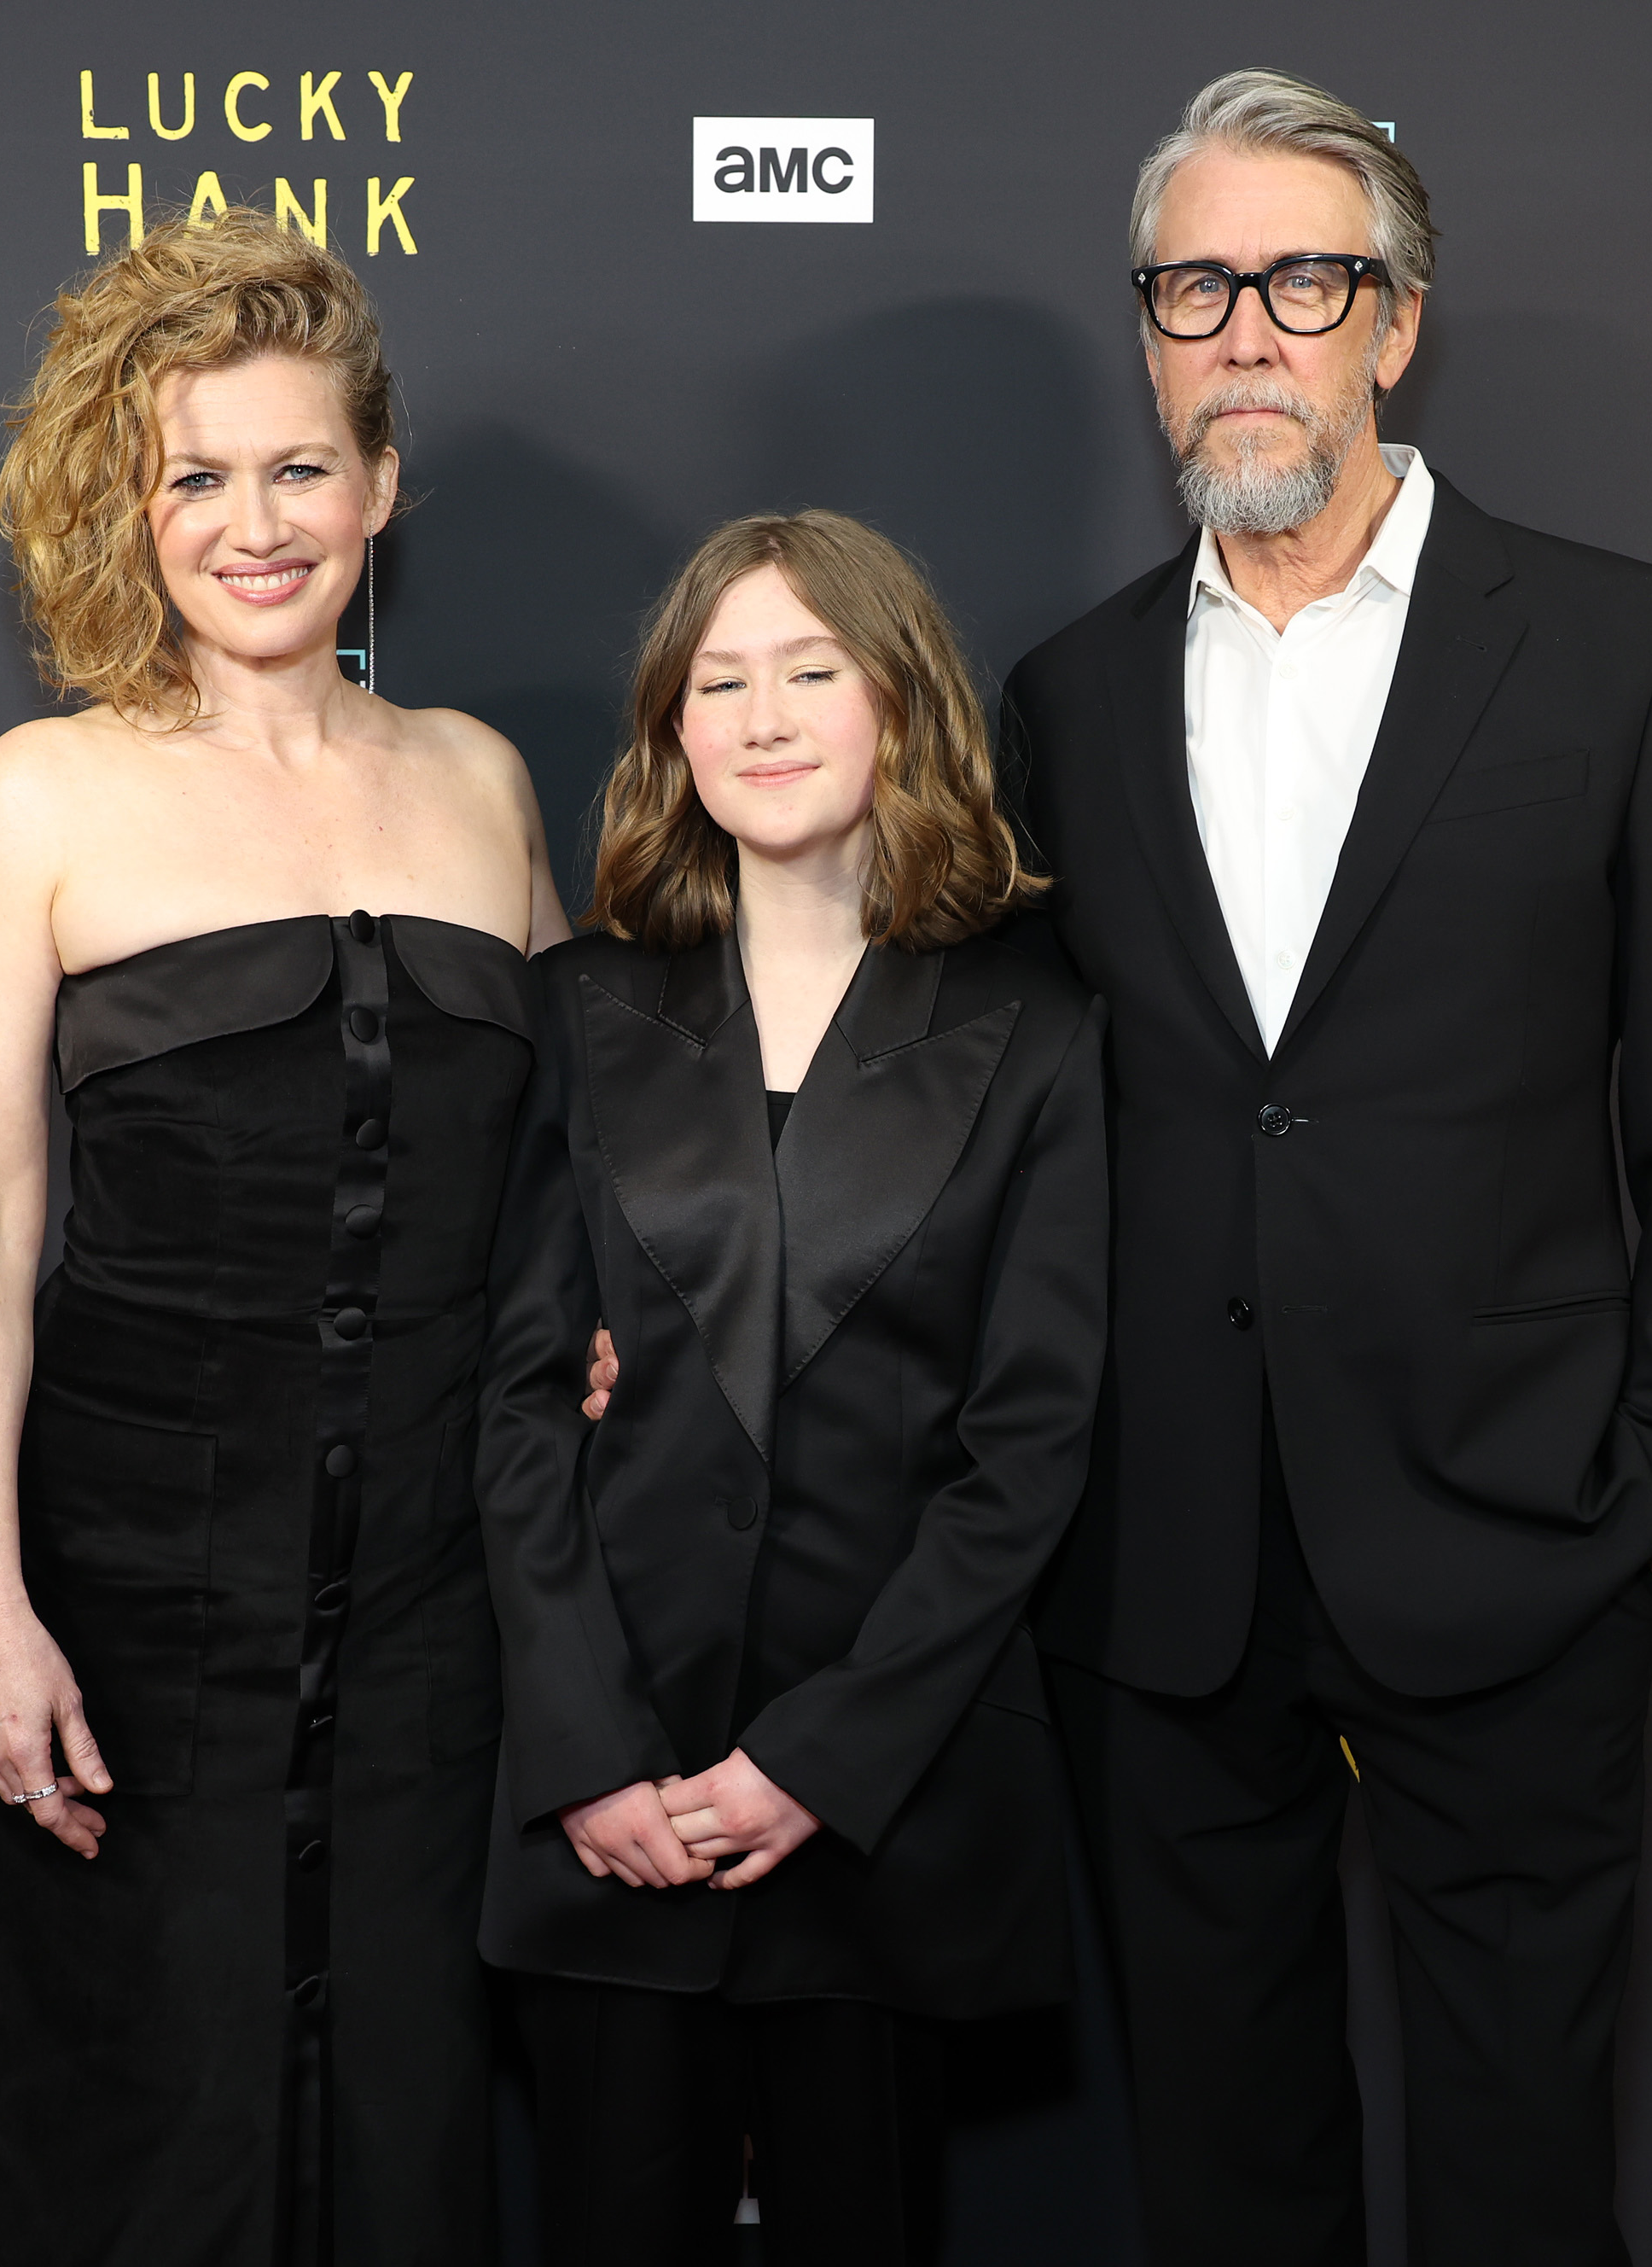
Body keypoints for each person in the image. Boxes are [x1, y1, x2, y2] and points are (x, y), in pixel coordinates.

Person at [1003, 70, 1652, 2266]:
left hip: (1516, 1527)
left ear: (1396, 319)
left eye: (1302, 277)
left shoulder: (1630, 647)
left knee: (1526, 2160)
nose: (1245, 328)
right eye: (1195, 286)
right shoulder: (1059, 699)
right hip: (1163, 1560)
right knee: (1227, 2165)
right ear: (1150, 334)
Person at [0, 205, 572, 2265]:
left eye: (300, 466)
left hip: (442, 1603)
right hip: (137, 1590)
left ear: (380, 484)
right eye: (197, 475)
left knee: (407, 2116)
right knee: (145, 2123)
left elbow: (588, 1154)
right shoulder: (37, 797)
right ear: (136, 507)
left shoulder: (482, 781)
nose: (254, 521)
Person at [476, 511, 1110, 2265]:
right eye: (718, 680)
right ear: (673, 732)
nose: (762, 715)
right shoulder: (576, 1011)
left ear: (899, 704)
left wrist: (820, 1761)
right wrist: (590, 1755)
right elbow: (517, 1405)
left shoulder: (1039, 1031)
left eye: (810, 671)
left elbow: (1028, 1443)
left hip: (876, 1809)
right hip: (613, 1802)